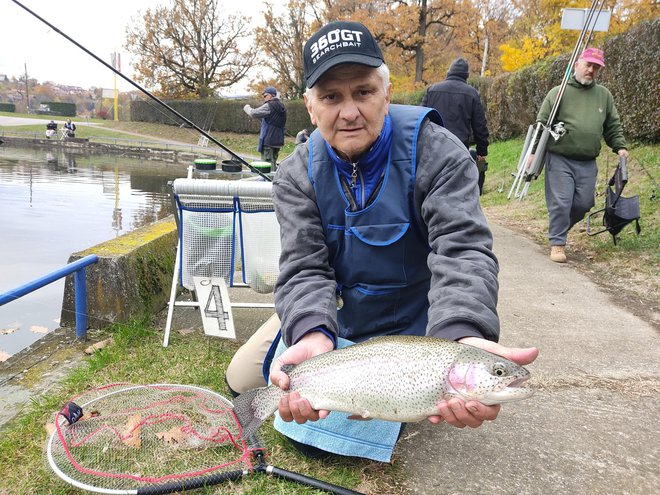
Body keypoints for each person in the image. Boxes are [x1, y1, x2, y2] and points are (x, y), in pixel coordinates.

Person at [226, 20, 538, 461]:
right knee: (242, 378)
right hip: (338, 317)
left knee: (343, 443)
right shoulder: (296, 174)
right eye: (332, 97)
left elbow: (462, 250)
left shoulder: (440, 152)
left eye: (364, 92)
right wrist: (310, 332)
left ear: (386, 94)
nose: (349, 111)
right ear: (310, 107)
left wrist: (462, 335)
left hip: (419, 326)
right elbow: (304, 268)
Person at [529, 47, 628, 263]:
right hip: (560, 157)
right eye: (588, 65)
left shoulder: (603, 95)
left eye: (596, 67)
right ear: (577, 65)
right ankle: (557, 244)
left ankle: (559, 229)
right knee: (561, 202)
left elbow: (613, 125)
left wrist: (619, 146)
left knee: (584, 204)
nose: (591, 70)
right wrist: (533, 152)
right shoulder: (558, 92)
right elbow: (541, 124)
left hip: (587, 161)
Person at [421, 58, 489, 194]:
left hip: (433, 146)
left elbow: (421, 118)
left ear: (448, 72)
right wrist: (482, 151)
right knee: (456, 189)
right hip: (458, 148)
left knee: (432, 186)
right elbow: (479, 125)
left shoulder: (432, 90)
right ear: (466, 76)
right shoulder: (471, 93)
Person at [243, 86, 287, 170]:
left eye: (265, 96)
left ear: (271, 95)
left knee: (267, 167)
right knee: (273, 164)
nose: (264, 98)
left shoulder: (269, 105)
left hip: (268, 142)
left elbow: (253, 113)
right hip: (278, 142)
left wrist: (246, 107)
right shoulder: (282, 106)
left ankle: (269, 183)